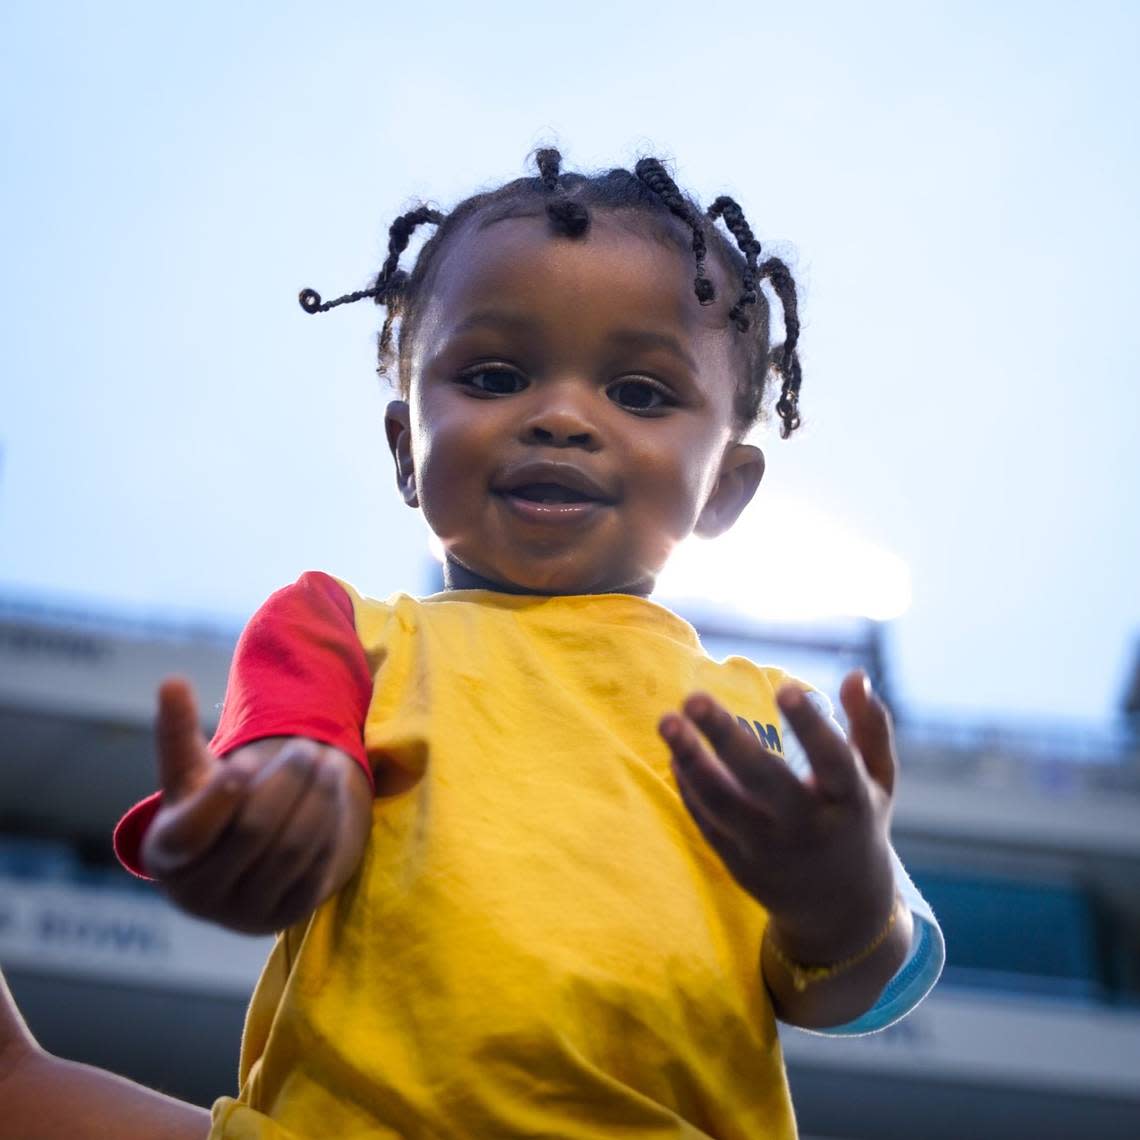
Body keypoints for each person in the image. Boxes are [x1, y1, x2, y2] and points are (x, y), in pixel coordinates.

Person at [9, 148, 944, 1139]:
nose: (559, 417)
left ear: (723, 488)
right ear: (408, 449)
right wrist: (285, 810)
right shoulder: (347, 633)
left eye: (638, 393)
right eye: (496, 375)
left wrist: (842, 896)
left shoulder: (766, 717)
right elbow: (287, 780)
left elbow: (868, 988)